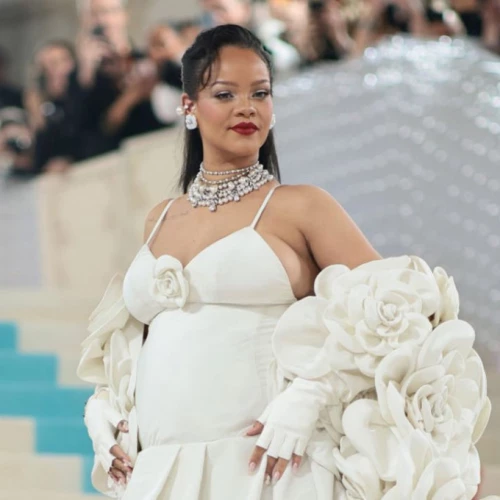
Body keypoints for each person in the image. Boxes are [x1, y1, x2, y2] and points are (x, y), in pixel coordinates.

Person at [78, 25, 490, 499]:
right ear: (189, 107)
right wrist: (105, 408)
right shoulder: (159, 218)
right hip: (163, 473)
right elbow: (140, 343)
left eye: (260, 93)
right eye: (225, 94)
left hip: (269, 468)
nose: (246, 107)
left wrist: (312, 395)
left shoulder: (301, 206)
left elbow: (403, 311)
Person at [76, 0, 170, 160]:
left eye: (109, 11)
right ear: (85, 21)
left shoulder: (149, 59)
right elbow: (81, 128)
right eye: (94, 14)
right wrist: (86, 71)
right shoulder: (82, 75)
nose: (103, 20)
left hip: (157, 150)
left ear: (124, 15)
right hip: (111, 160)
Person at [24, 40, 82, 174]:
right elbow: (35, 156)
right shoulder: (42, 107)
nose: (61, 69)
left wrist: (70, 159)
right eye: (52, 64)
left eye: (64, 60)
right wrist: (36, 117)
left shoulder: (85, 97)